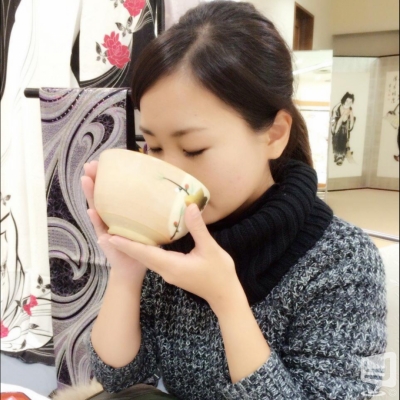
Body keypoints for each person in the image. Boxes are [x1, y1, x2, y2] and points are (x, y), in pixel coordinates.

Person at [81, 2, 387, 399]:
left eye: (193, 149)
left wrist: (226, 300)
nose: (168, 172)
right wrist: (126, 272)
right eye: (153, 146)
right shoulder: (170, 232)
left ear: (274, 134)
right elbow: (121, 380)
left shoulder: (343, 261)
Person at [330, 92, 357, 166]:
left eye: (350, 102)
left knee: (344, 139)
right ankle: (338, 156)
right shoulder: (337, 108)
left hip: (344, 129)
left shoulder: (350, 109)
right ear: (344, 100)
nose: (348, 103)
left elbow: (351, 122)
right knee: (337, 139)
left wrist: (350, 118)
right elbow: (334, 121)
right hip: (336, 126)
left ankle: (342, 154)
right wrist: (344, 114)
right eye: (347, 101)